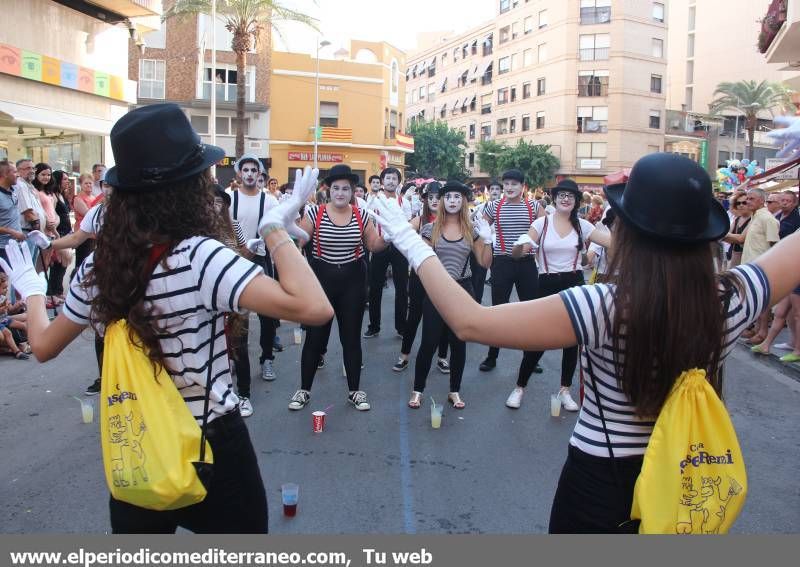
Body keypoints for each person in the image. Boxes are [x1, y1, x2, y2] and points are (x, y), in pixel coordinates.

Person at [370, 152, 797, 533]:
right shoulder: (736, 298)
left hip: (602, 481)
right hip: (688, 480)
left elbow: (469, 322)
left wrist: (408, 241)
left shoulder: (602, 305)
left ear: (624, 231)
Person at [0, 103, 333, 534]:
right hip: (209, 443)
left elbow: (43, 347)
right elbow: (315, 307)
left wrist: (31, 289)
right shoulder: (199, 257)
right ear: (190, 187)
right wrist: (274, 229)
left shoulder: (98, 266)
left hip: (137, 443)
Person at [287, 164, 386, 411]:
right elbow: (299, 241)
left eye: (345, 189)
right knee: (315, 338)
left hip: (353, 281)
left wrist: (390, 237)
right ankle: (303, 390)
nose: (340, 193)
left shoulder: (361, 215)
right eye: (336, 188)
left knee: (350, 338)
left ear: (353, 191)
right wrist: (288, 220)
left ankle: (355, 391)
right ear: (328, 190)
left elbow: (373, 245)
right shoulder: (314, 213)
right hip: (322, 281)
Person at [506, 179, 610, 410]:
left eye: (570, 196)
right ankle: (520, 386)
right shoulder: (542, 223)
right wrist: (519, 244)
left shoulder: (583, 225)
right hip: (546, 283)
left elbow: (612, 243)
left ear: (575, 201)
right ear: (555, 198)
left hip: (574, 283)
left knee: (572, 341)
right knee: (539, 339)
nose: (565, 199)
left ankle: (565, 390)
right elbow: (517, 253)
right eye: (562, 195)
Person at [407, 181, 492, 409]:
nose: (453, 200)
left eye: (457, 197)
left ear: (463, 201)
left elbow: (484, 262)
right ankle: (418, 389)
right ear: (442, 201)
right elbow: (420, 264)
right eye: (448, 197)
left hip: (463, 290)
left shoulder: (471, 231)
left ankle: (454, 391)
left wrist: (488, 240)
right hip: (436, 291)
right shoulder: (429, 229)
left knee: (459, 344)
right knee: (429, 342)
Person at [478, 168, 545, 372]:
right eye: (506, 184)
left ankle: (531, 358)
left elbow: (545, 229)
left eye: (514, 184)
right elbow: (480, 228)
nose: (509, 188)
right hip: (502, 263)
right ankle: (492, 356)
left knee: (530, 312)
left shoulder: (534, 206)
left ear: (523, 187)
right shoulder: (493, 206)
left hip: (526, 264)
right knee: (498, 310)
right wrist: (481, 235)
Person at [228, 154, 281, 381]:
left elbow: (277, 228)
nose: (249, 174)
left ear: (260, 175)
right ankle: (234, 360)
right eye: (245, 170)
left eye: (253, 170)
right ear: (239, 173)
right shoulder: (230, 198)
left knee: (267, 314)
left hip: (261, 260)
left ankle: (267, 358)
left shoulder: (269, 201)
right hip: (236, 261)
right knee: (236, 316)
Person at [393, 181, 449, 373]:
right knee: (414, 317)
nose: (434, 201)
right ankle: (404, 355)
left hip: (444, 277)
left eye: (438, 198)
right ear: (424, 200)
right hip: (420, 276)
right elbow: (400, 236)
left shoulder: (451, 220)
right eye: (430, 197)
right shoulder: (419, 220)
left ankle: (442, 356)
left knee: (444, 317)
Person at [723, 188, 779, 344]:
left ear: (762, 200)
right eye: (747, 199)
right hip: (750, 264)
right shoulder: (756, 217)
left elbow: (775, 245)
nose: (747, 202)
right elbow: (741, 238)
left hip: (763, 266)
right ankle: (756, 329)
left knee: (764, 301)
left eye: (751, 199)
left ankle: (762, 332)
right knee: (758, 299)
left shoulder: (768, 219)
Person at [364, 167, 410, 338]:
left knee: (402, 288)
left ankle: (401, 327)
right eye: (388, 178)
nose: (391, 181)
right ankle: (374, 325)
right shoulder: (373, 200)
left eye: (394, 178)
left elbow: (407, 223)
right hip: (380, 245)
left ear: (398, 182)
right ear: (382, 181)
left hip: (399, 247)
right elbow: (368, 221)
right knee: (375, 287)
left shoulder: (404, 202)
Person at [470, 179, 501, 303]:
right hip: (483, 245)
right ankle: (477, 301)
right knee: (480, 275)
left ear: (501, 191)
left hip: (499, 247)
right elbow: (476, 225)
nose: (494, 191)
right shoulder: (480, 207)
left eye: (497, 189)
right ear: (488, 191)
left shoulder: (505, 207)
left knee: (498, 278)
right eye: (492, 189)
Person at [0, 160, 25, 267]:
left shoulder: (13, 190)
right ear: (5, 174)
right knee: (5, 282)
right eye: (15, 172)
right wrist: (12, 232)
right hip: (3, 248)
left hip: (17, 245)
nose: (18, 175)